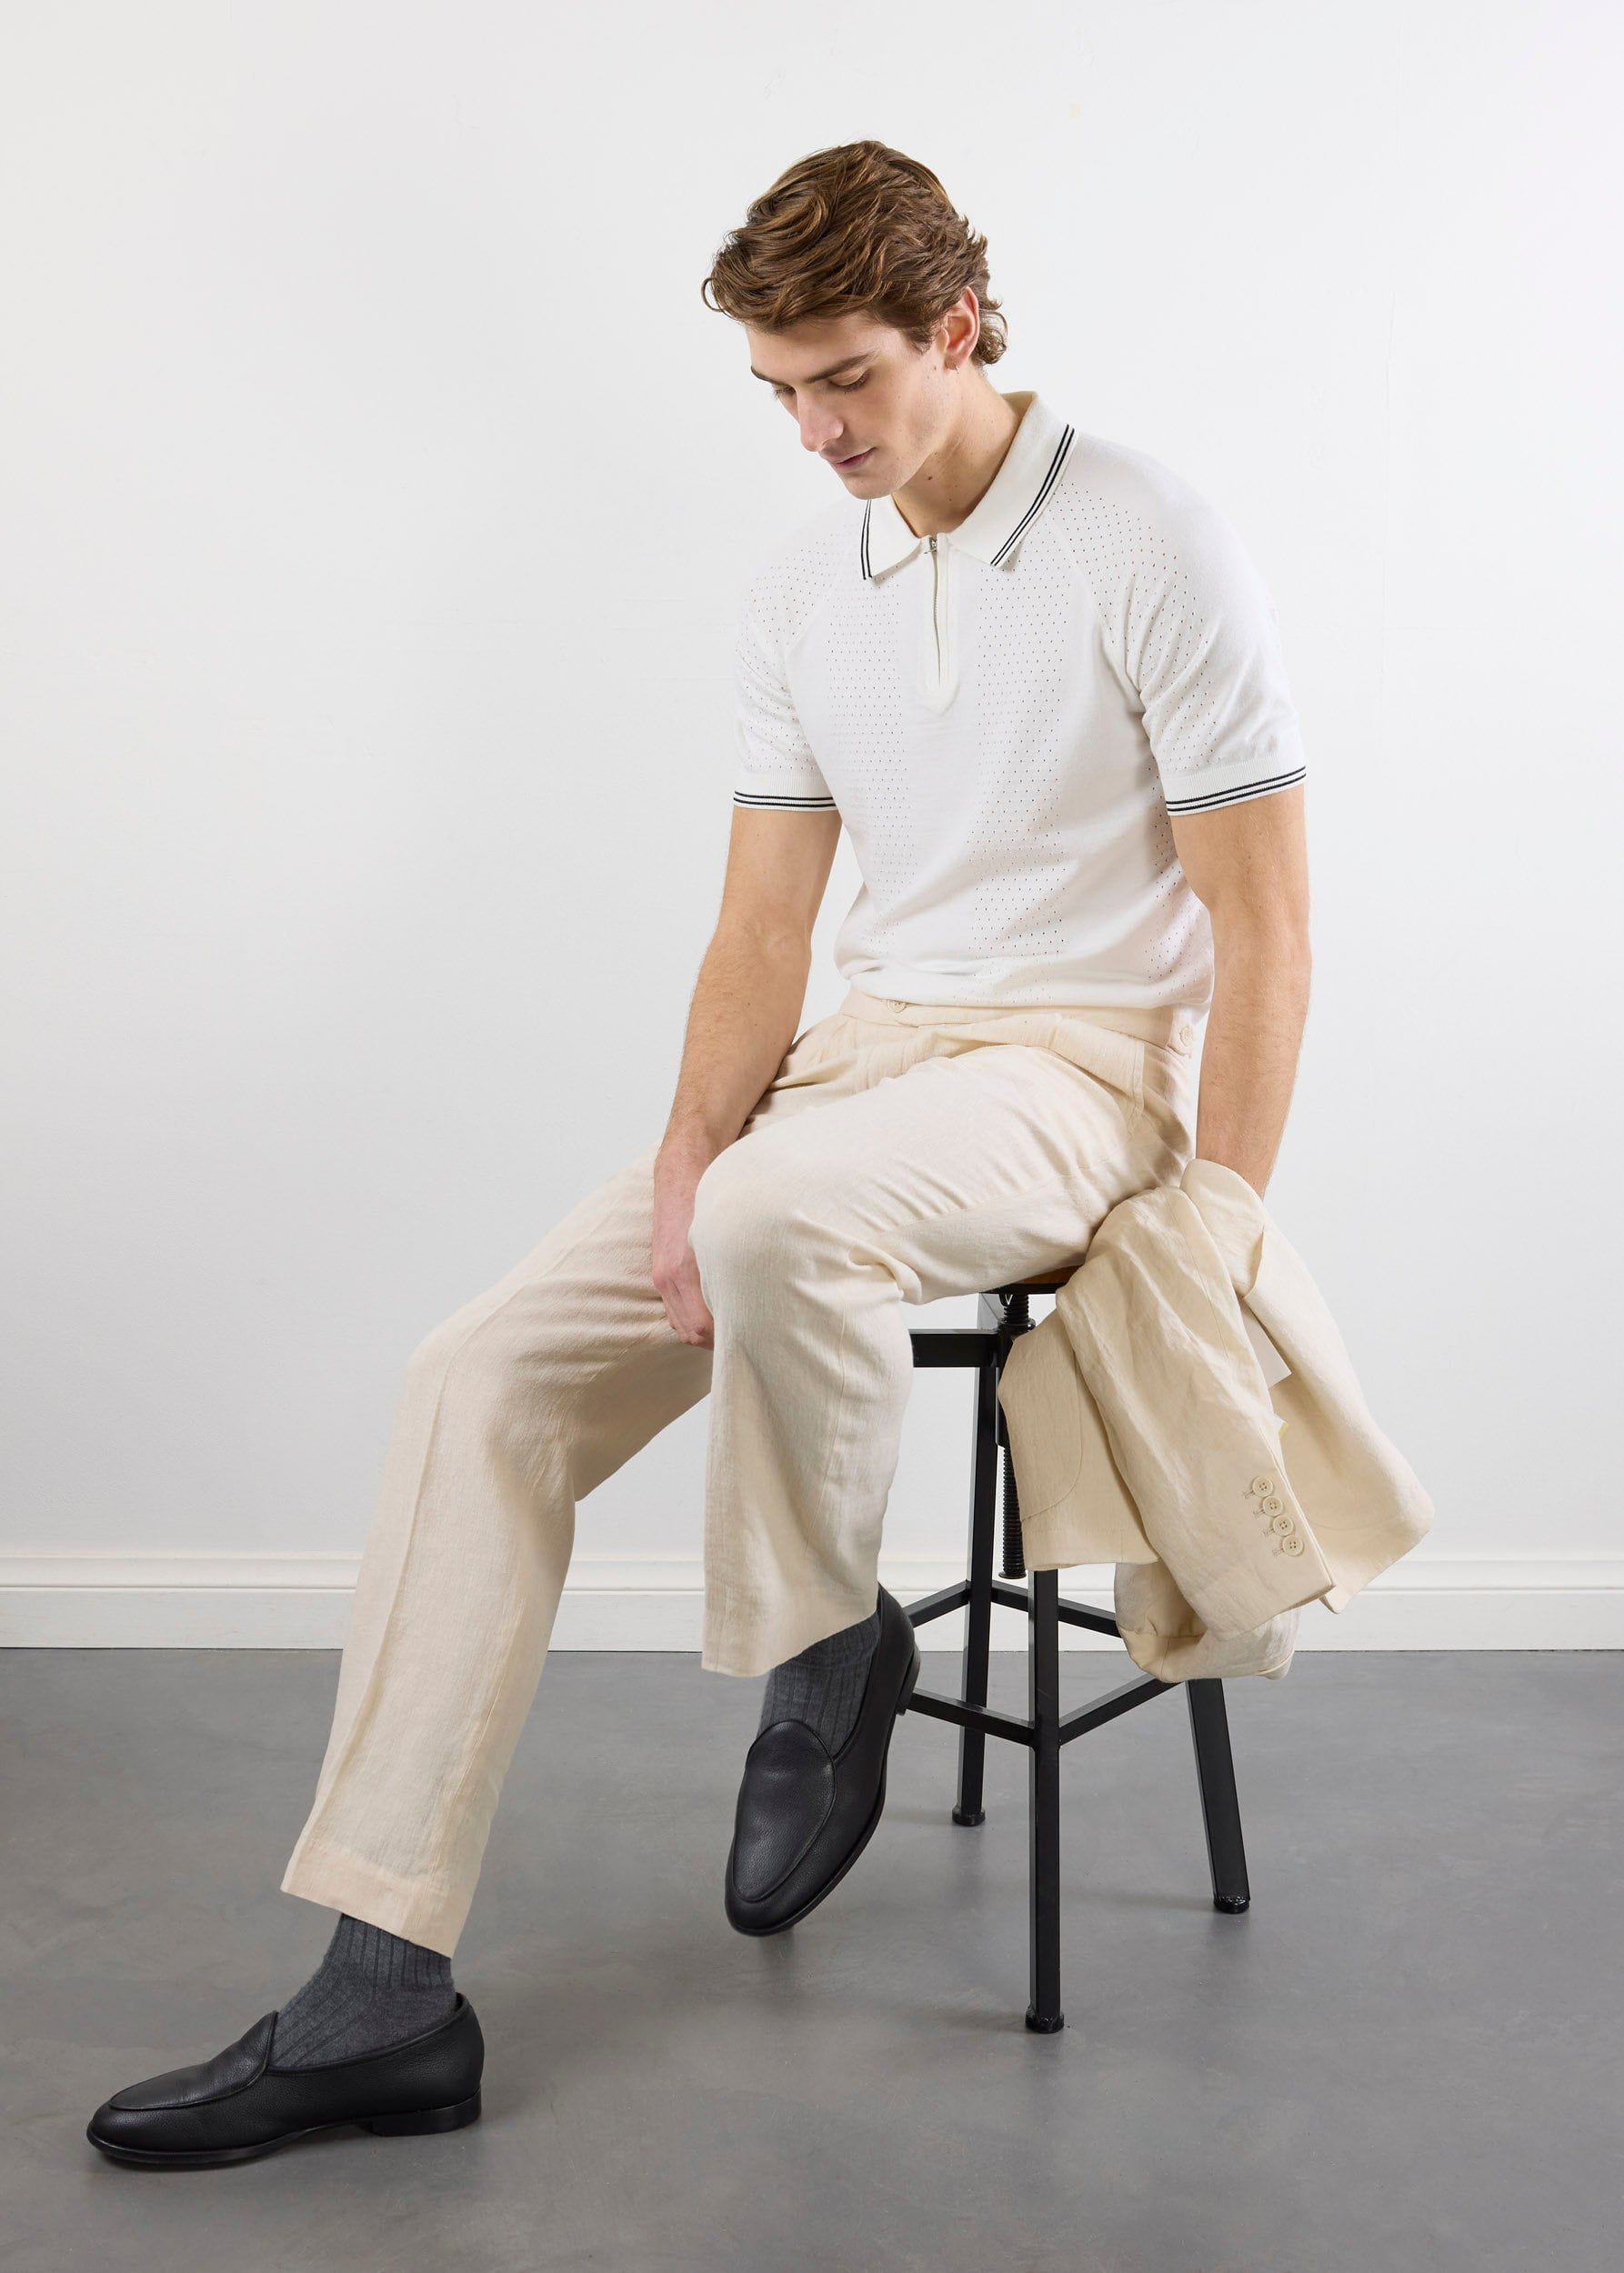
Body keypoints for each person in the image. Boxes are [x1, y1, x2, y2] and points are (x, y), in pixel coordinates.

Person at [86, 136, 1311, 2167]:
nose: (813, 428)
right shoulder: (793, 588)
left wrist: (1222, 1221)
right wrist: (679, 1156)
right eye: (775, 392)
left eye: (845, 376)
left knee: (774, 1214)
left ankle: (824, 1632)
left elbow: (1263, 923)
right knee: (475, 1377)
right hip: (861, 1067)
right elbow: (759, 932)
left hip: (1074, 1069)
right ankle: (381, 1992)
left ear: (955, 323)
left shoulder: (1145, 532)